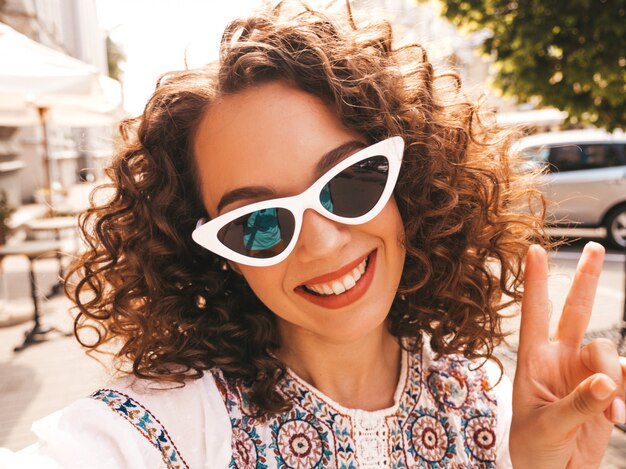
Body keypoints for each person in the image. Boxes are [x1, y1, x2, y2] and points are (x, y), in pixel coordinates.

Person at [2, 2, 625, 468]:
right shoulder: (156, 435)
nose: (323, 243)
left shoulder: (497, 408)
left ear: (410, 184)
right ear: (217, 255)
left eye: (351, 184)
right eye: (257, 222)